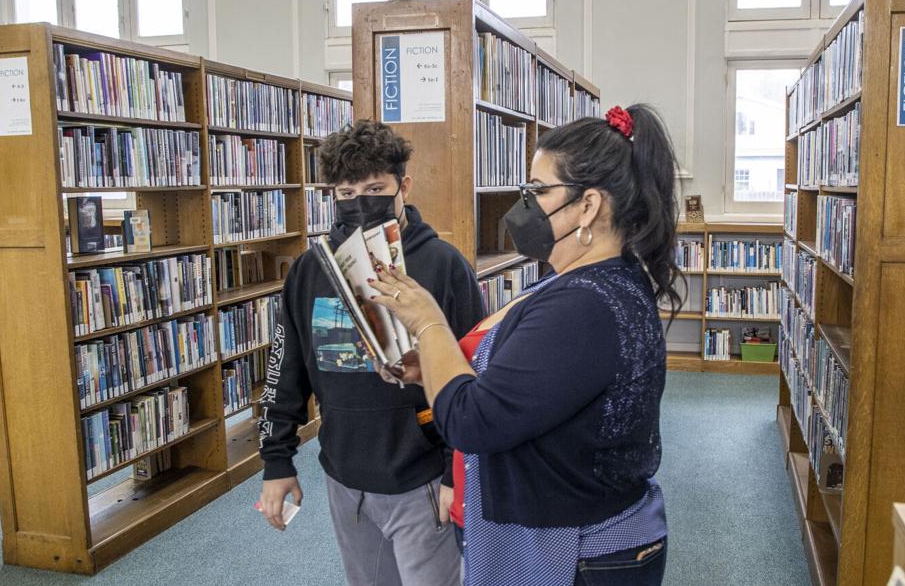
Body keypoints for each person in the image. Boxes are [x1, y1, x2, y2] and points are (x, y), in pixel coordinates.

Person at [372, 104, 678, 585]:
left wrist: (429, 323)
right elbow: (531, 380)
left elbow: (471, 423)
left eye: (538, 191)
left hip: (579, 551)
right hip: (578, 526)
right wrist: (434, 364)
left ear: (589, 205)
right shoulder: (596, 281)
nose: (525, 206)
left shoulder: (581, 306)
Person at [257, 119, 485, 586]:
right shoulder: (309, 269)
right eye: (345, 192)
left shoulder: (443, 265)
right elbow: (287, 368)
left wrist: (452, 474)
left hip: (420, 477)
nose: (360, 201)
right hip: (344, 474)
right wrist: (276, 461)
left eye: (375, 187)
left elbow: (472, 374)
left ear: (404, 186)